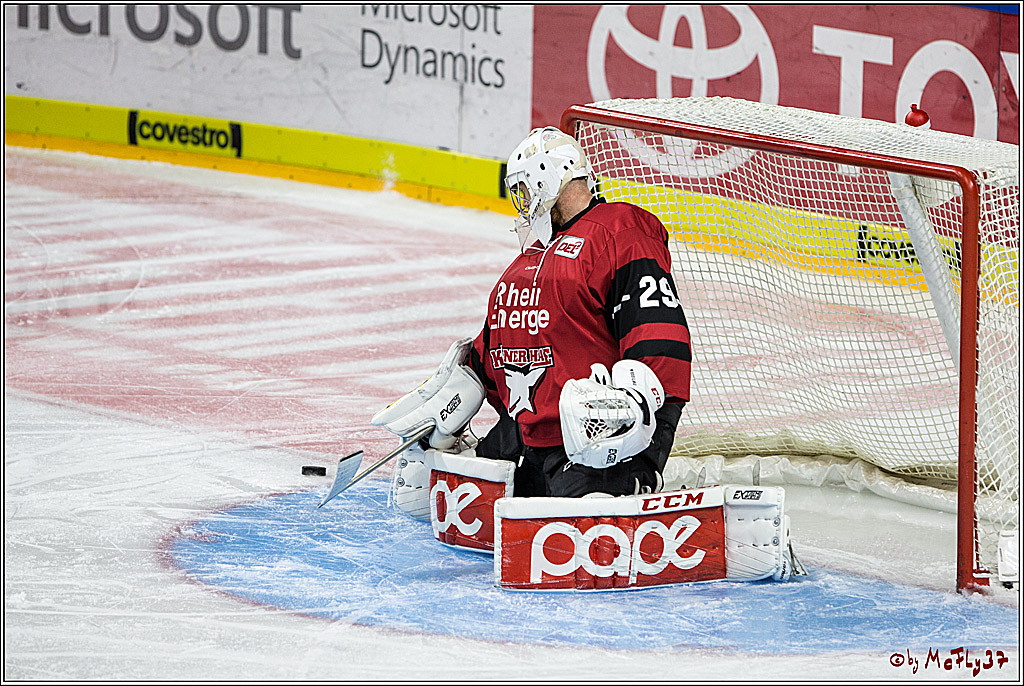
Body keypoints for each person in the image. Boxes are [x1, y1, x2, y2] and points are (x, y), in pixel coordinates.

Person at [373, 126, 692, 517]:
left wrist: (637, 419)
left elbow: (659, 334)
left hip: (594, 442)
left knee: (586, 530)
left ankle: (625, 487)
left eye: (524, 189)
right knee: (424, 500)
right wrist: (449, 403)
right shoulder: (528, 262)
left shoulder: (619, 233)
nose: (521, 203)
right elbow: (495, 350)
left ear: (551, 177)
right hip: (526, 437)